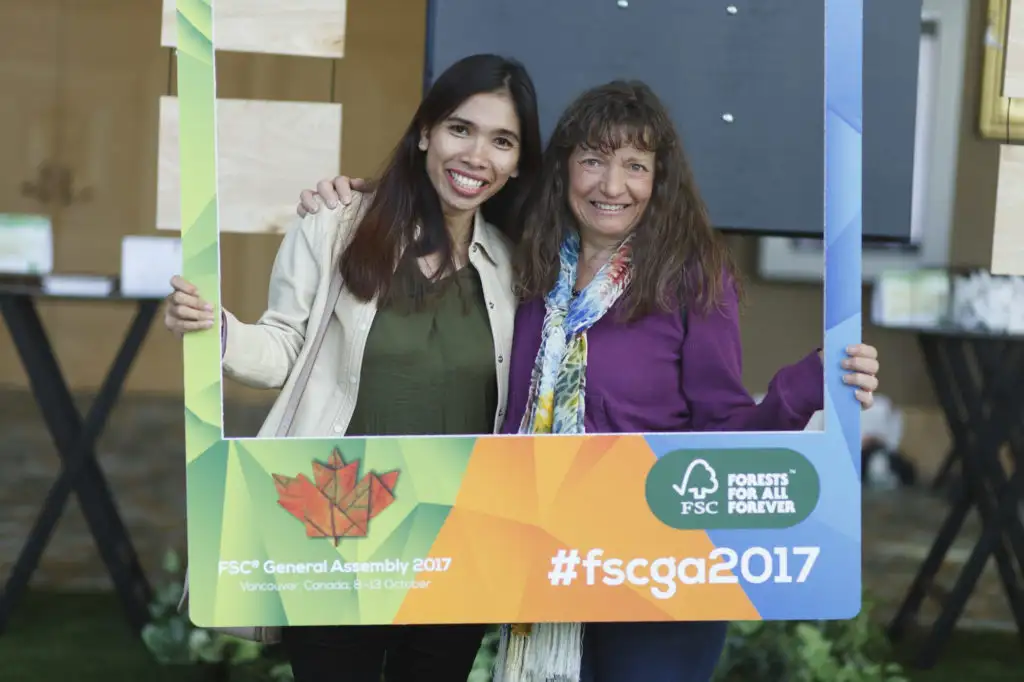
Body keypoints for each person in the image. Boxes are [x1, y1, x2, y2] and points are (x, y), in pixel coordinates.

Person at [296, 79, 880, 682]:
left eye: (634, 165)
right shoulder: (525, 263)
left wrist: (806, 385)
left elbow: (723, 432)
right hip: (542, 560)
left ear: (660, 179)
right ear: (564, 170)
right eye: (593, 160)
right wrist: (359, 197)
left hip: (657, 568)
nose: (611, 185)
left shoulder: (690, 280)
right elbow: (453, 193)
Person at [163, 53, 543, 682]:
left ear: (517, 164)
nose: (477, 155)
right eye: (460, 129)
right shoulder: (335, 228)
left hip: (460, 533)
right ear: (424, 132)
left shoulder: (512, 264)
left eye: (502, 141)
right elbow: (283, 347)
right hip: (338, 526)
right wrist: (217, 331)